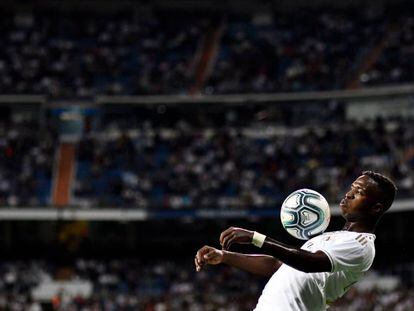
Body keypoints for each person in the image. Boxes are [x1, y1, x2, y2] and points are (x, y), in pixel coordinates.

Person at [194, 171, 397, 310]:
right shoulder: (332, 237)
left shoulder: (361, 245)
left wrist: (256, 238)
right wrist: (224, 256)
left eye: (359, 192)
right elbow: (277, 265)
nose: (349, 194)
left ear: (376, 208)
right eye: (352, 188)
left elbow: (309, 263)